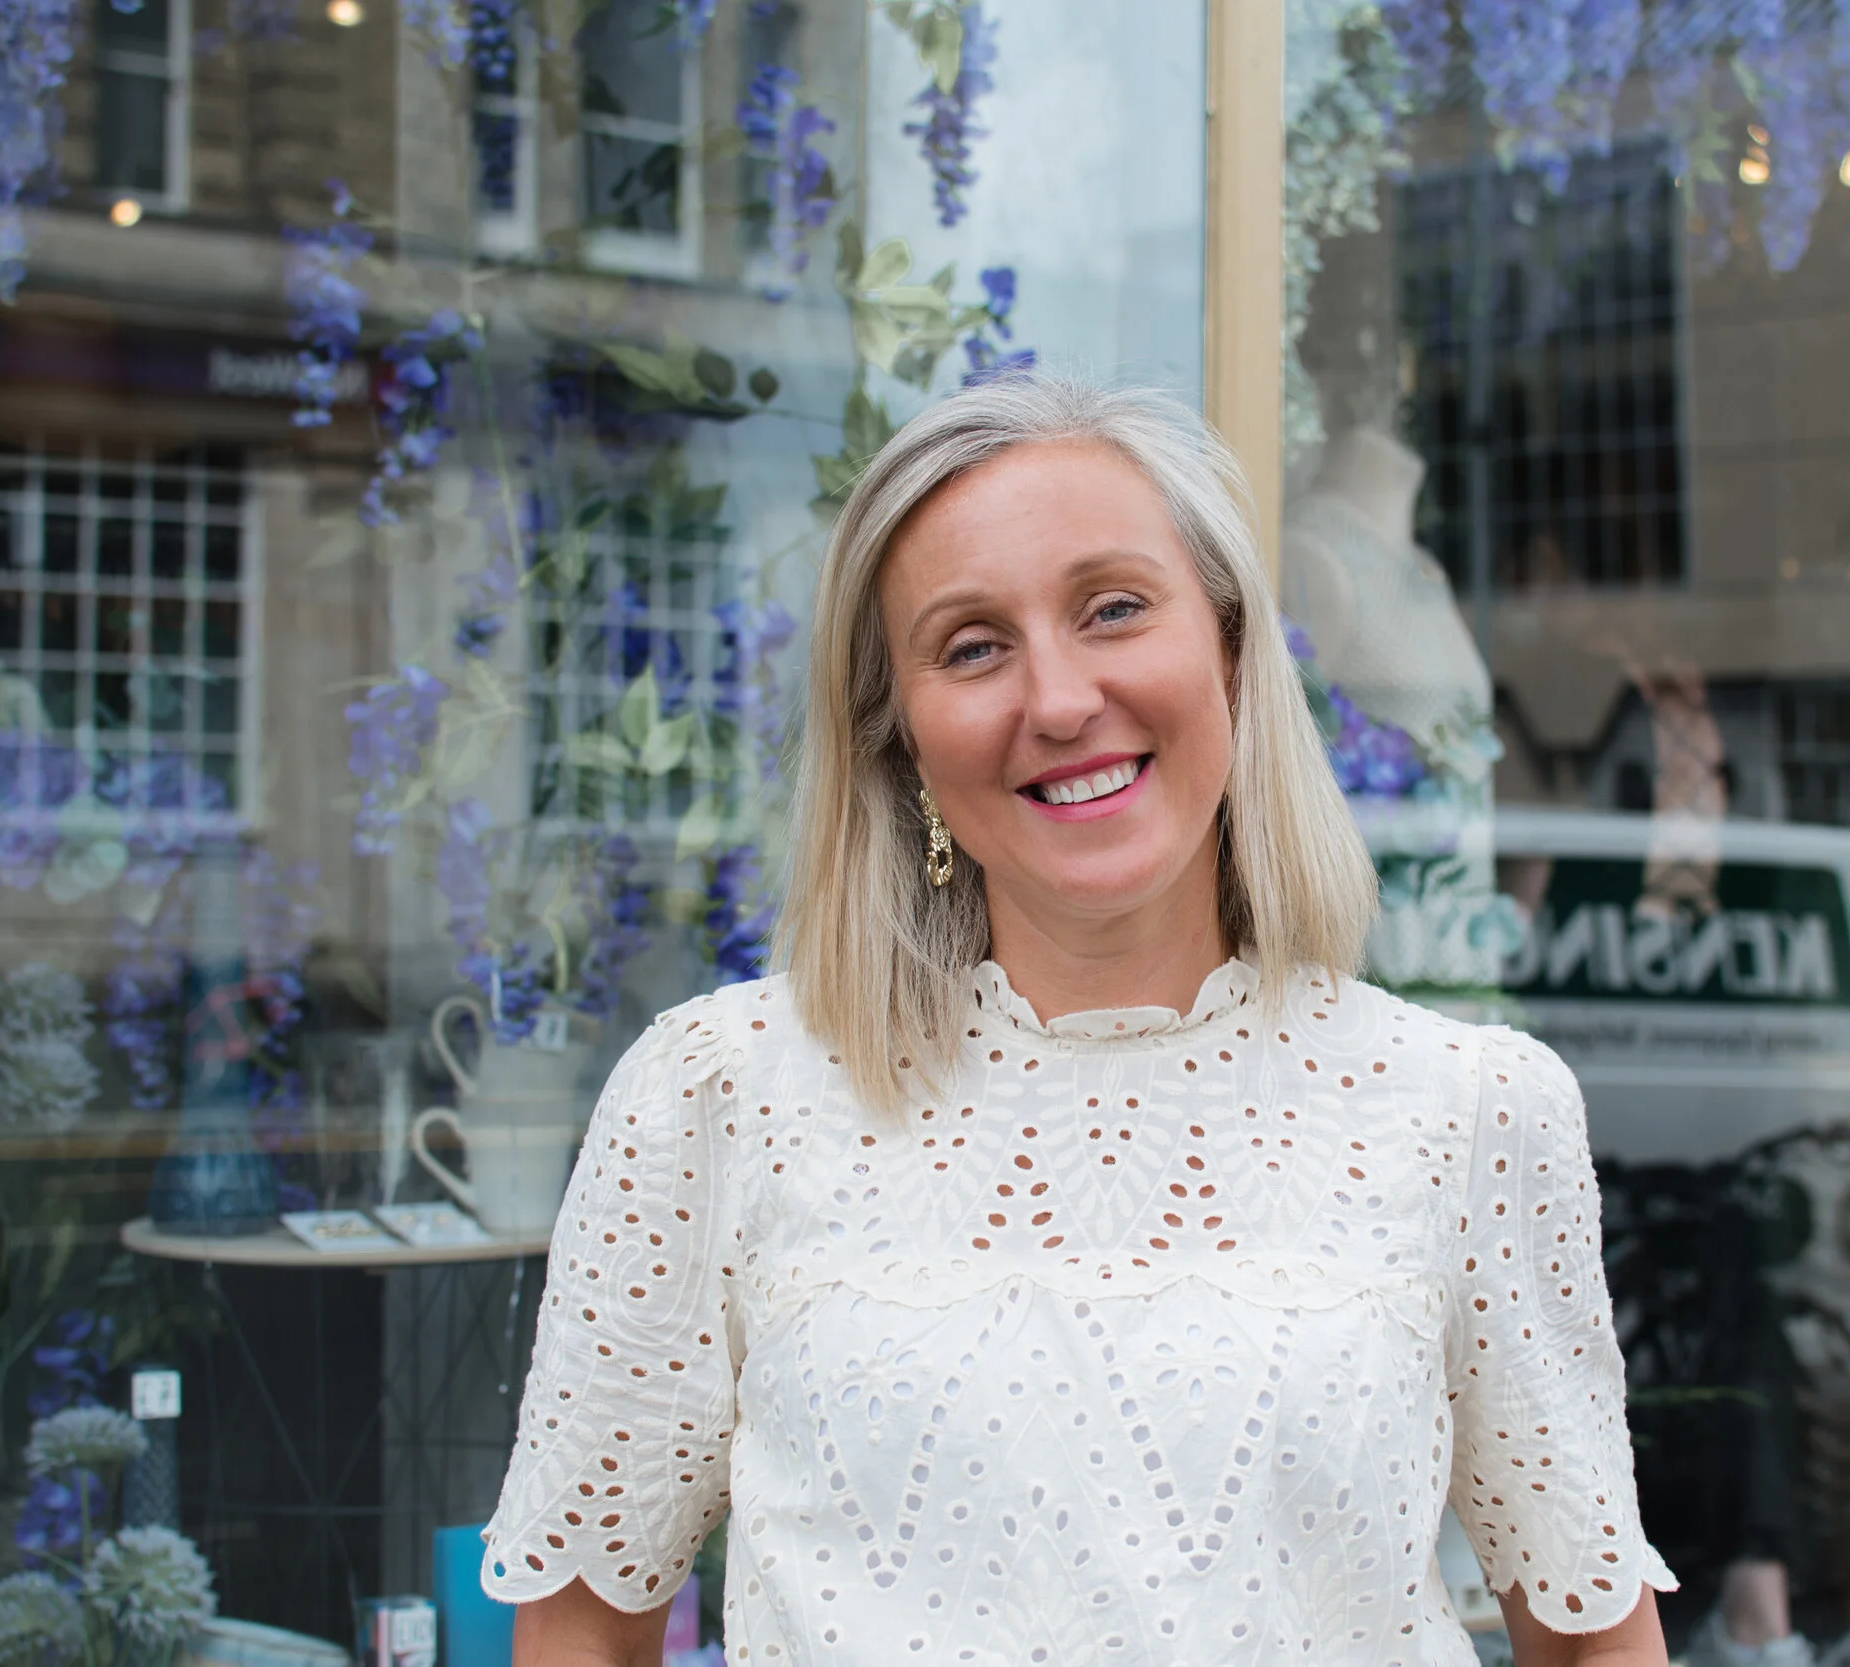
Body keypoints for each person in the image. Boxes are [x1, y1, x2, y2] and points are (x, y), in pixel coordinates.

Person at [482, 377, 1677, 1666]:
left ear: (1229, 650)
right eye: (973, 645)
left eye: (1113, 609)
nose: (1058, 700)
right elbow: (579, 1636)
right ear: (902, 739)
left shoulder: (1466, 1109)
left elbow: (1594, 1639)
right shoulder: (717, 1097)